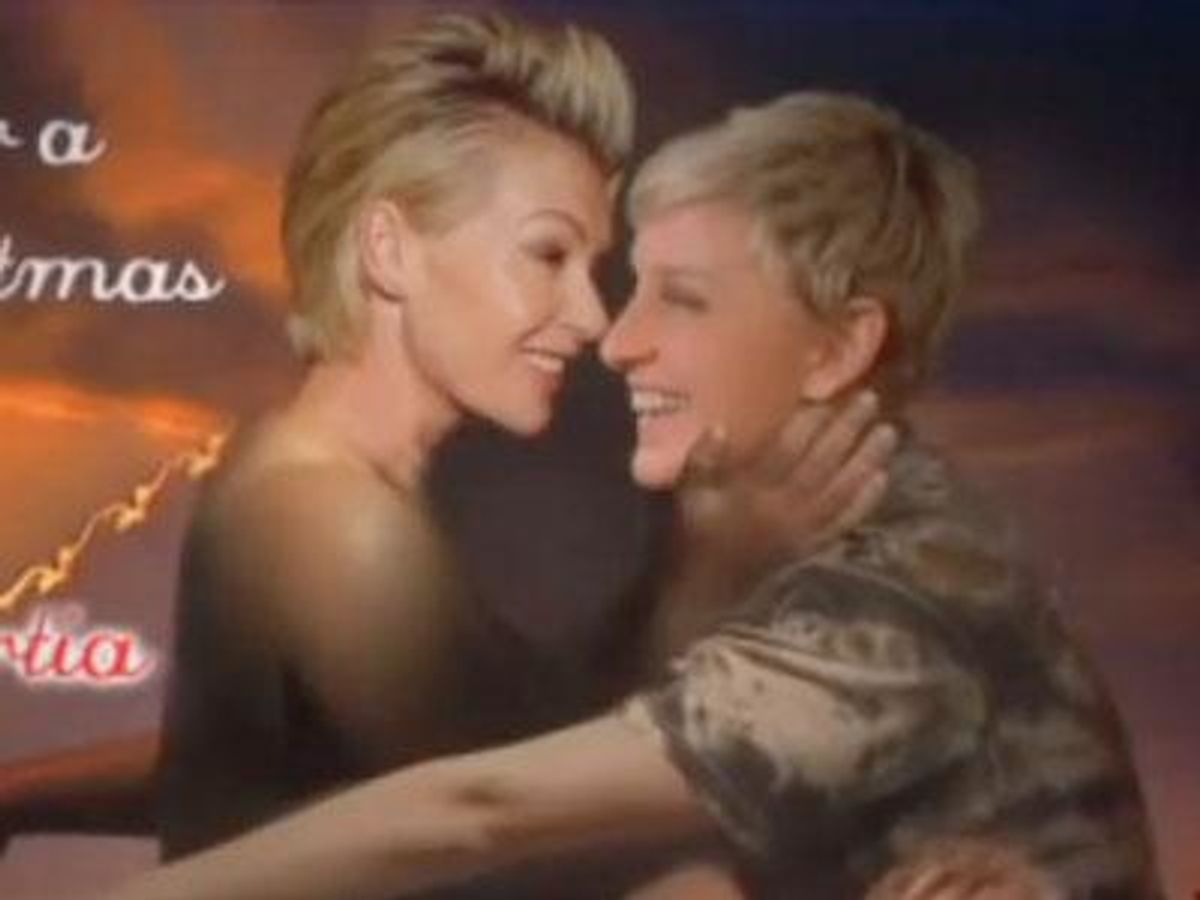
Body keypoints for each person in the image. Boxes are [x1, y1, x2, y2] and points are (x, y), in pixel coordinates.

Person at [101, 91, 1163, 900]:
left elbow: (482, 805)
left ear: (838, 348)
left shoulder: (888, 593)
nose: (616, 339)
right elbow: (490, 752)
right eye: (628, 282)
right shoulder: (756, 518)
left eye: (684, 300)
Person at [0, 12, 888, 890]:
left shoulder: (304, 472)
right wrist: (716, 578)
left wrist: (18, 793)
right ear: (389, 251)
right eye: (547, 255)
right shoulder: (333, 523)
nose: (591, 317)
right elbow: (507, 822)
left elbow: (255, 767)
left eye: (589, 267)